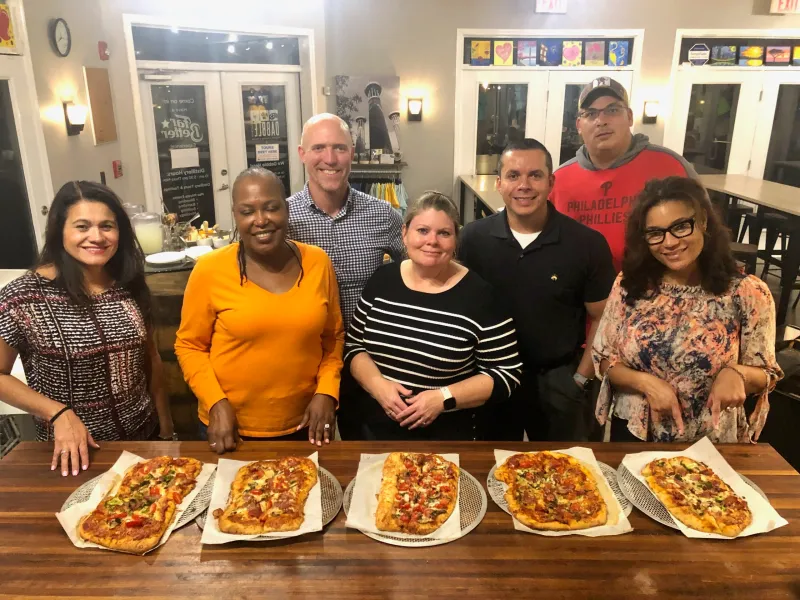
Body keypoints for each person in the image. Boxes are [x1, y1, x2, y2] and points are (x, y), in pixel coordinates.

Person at [0, 181, 173, 476]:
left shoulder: (128, 282)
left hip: (144, 442)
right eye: (82, 226)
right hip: (74, 455)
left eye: (107, 226)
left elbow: (150, 358)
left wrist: (167, 430)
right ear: (60, 231)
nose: (97, 237)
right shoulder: (24, 296)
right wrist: (56, 412)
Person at [592, 176, 783, 443]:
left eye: (681, 226)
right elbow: (604, 360)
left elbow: (767, 372)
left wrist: (737, 373)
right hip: (635, 434)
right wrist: (645, 383)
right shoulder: (629, 285)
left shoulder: (747, 292)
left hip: (712, 440)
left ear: (703, 221)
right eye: (655, 233)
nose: (669, 242)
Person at [175, 168, 344, 453]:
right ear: (235, 216)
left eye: (271, 207)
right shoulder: (209, 270)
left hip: (306, 424)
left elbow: (333, 337)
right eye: (247, 211)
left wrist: (328, 392)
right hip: (231, 427)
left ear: (286, 210)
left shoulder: (317, 262)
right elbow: (189, 346)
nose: (261, 220)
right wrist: (215, 403)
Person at [459, 139, 616, 442]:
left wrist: (581, 379)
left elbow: (603, 317)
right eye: (513, 175)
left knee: (566, 466)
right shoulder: (473, 239)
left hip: (558, 379)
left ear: (551, 182)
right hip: (491, 378)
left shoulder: (586, 243)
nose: (524, 185)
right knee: (491, 463)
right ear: (499, 183)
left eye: (535, 175)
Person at [344, 192, 522, 440]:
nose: (432, 241)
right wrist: (378, 386)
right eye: (423, 230)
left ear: (456, 239)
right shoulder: (382, 280)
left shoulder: (482, 297)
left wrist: (443, 398)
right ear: (404, 233)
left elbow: (506, 373)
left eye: (444, 233)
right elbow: (354, 346)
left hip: (446, 437)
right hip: (373, 431)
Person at [287, 113, 404, 439]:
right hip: (305, 363)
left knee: (367, 454)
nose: (330, 158)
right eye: (318, 148)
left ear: (352, 153)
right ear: (302, 154)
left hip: (370, 360)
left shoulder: (383, 215)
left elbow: (416, 270)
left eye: (339, 148)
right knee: (305, 458)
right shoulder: (283, 220)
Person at [550, 77, 697, 270]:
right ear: (579, 125)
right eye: (591, 114)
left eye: (612, 110)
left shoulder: (671, 166)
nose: (601, 121)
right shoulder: (559, 179)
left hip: (655, 284)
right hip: (581, 285)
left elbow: (704, 230)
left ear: (629, 116)